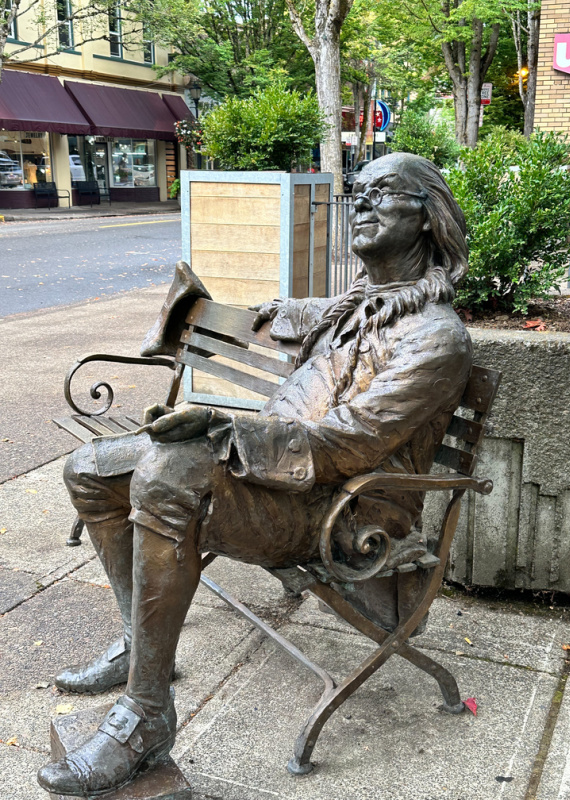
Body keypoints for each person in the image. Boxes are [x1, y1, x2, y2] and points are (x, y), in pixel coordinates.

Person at [38, 152, 472, 796]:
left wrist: (220, 427)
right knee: (89, 468)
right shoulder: (351, 307)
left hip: (342, 513)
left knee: (170, 471)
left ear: (428, 219)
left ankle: (146, 716)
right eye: (358, 190)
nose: (361, 202)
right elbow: (283, 319)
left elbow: (349, 444)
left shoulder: (435, 337)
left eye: (384, 194)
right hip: (285, 480)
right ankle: (140, 645)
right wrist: (222, 316)